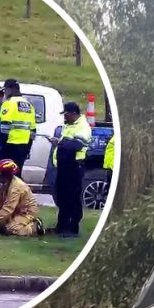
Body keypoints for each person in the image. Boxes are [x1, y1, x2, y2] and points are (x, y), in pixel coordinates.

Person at [49, 101, 92, 238]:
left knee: (72, 197)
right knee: (62, 197)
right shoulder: (69, 126)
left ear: (73, 113)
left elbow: (77, 145)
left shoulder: (82, 127)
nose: (64, 117)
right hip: (64, 166)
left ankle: (72, 229)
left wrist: (59, 142)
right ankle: (61, 226)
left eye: (66, 114)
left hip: (74, 166)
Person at [0, 159, 44, 236]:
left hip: (26, 212)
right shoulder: (4, 184)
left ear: (6, 175)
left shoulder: (16, 187)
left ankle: (35, 227)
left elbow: (8, 207)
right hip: (16, 210)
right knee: (1, 224)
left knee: (11, 229)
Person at [0, 78, 37, 176]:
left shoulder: (8, 104)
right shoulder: (28, 105)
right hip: (24, 146)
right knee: (17, 175)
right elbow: (33, 131)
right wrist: (28, 149)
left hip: (10, 145)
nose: (5, 93)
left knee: (6, 176)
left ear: (11, 89)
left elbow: (5, 128)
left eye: (5, 90)